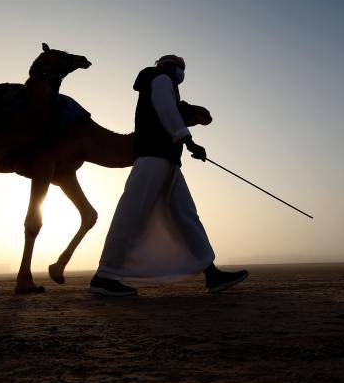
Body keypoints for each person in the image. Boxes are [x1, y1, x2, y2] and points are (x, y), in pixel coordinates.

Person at [89, 55, 249, 296]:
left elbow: (170, 111)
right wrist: (186, 138)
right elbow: (165, 108)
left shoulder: (164, 83)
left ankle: (211, 273)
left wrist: (184, 140)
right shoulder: (161, 78)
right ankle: (105, 276)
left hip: (168, 161)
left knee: (187, 216)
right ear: (170, 67)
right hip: (153, 157)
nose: (182, 73)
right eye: (180, 68)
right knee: (132, 213)